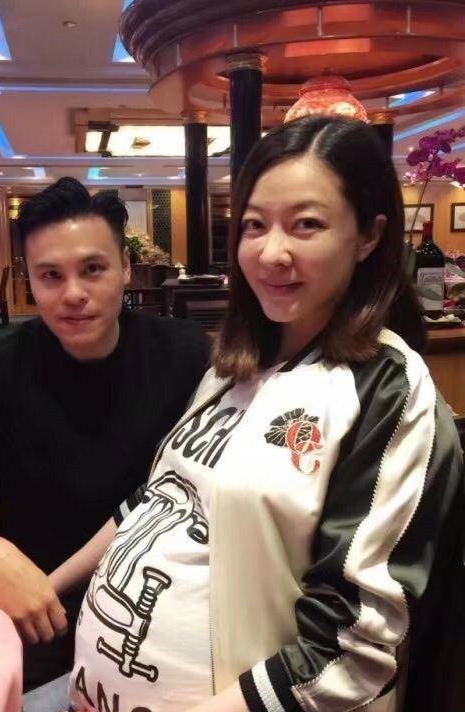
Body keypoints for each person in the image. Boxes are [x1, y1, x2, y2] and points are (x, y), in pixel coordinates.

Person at [27, 117, 463, 712]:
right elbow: (159, 499)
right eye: (255, 225)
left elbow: (353, 648)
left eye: (306, 224)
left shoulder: (386, 389)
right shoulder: (234, 366)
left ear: (367, 236)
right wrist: (45, 586)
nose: (271, 252)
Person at [0, 178, 210, 690]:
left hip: (165, 610)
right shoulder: (1, 366)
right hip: (42, 607)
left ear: (125, 268)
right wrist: (1, 561)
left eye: (93, 269)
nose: (73, 294)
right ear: (30, 281)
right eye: (51, 275)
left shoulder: (187, 354)